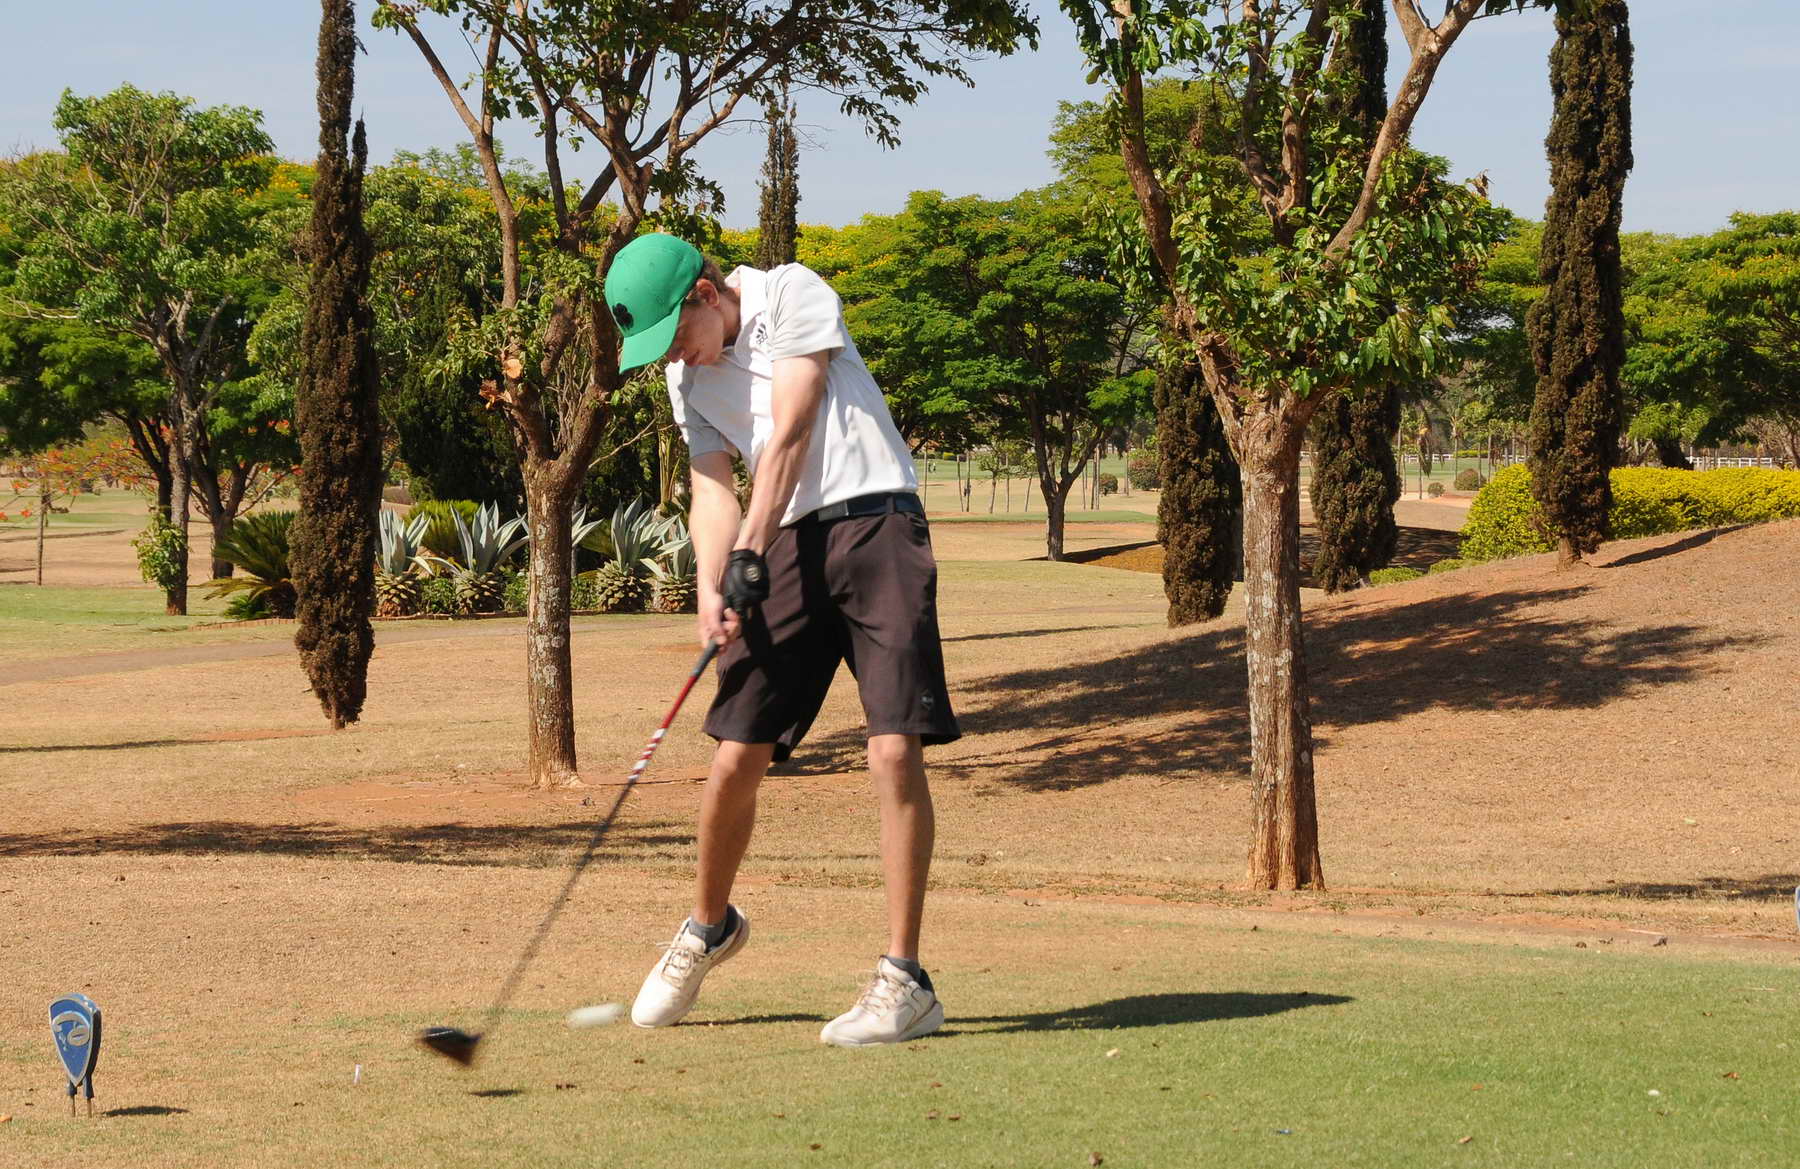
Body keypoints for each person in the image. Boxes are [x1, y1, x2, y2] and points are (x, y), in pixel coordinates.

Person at [602, 232, 960, 1046]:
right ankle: (708, 926)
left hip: (876, 520)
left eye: (676, 336)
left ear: (705, 293)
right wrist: (711, 584)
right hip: (785, 543)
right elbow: (711, 487)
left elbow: (793, 428)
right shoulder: (685, 379)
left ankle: (905, 981)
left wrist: (751, 550)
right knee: (736, 751)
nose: (677, 358)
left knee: (892, 747)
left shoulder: (792, 291)